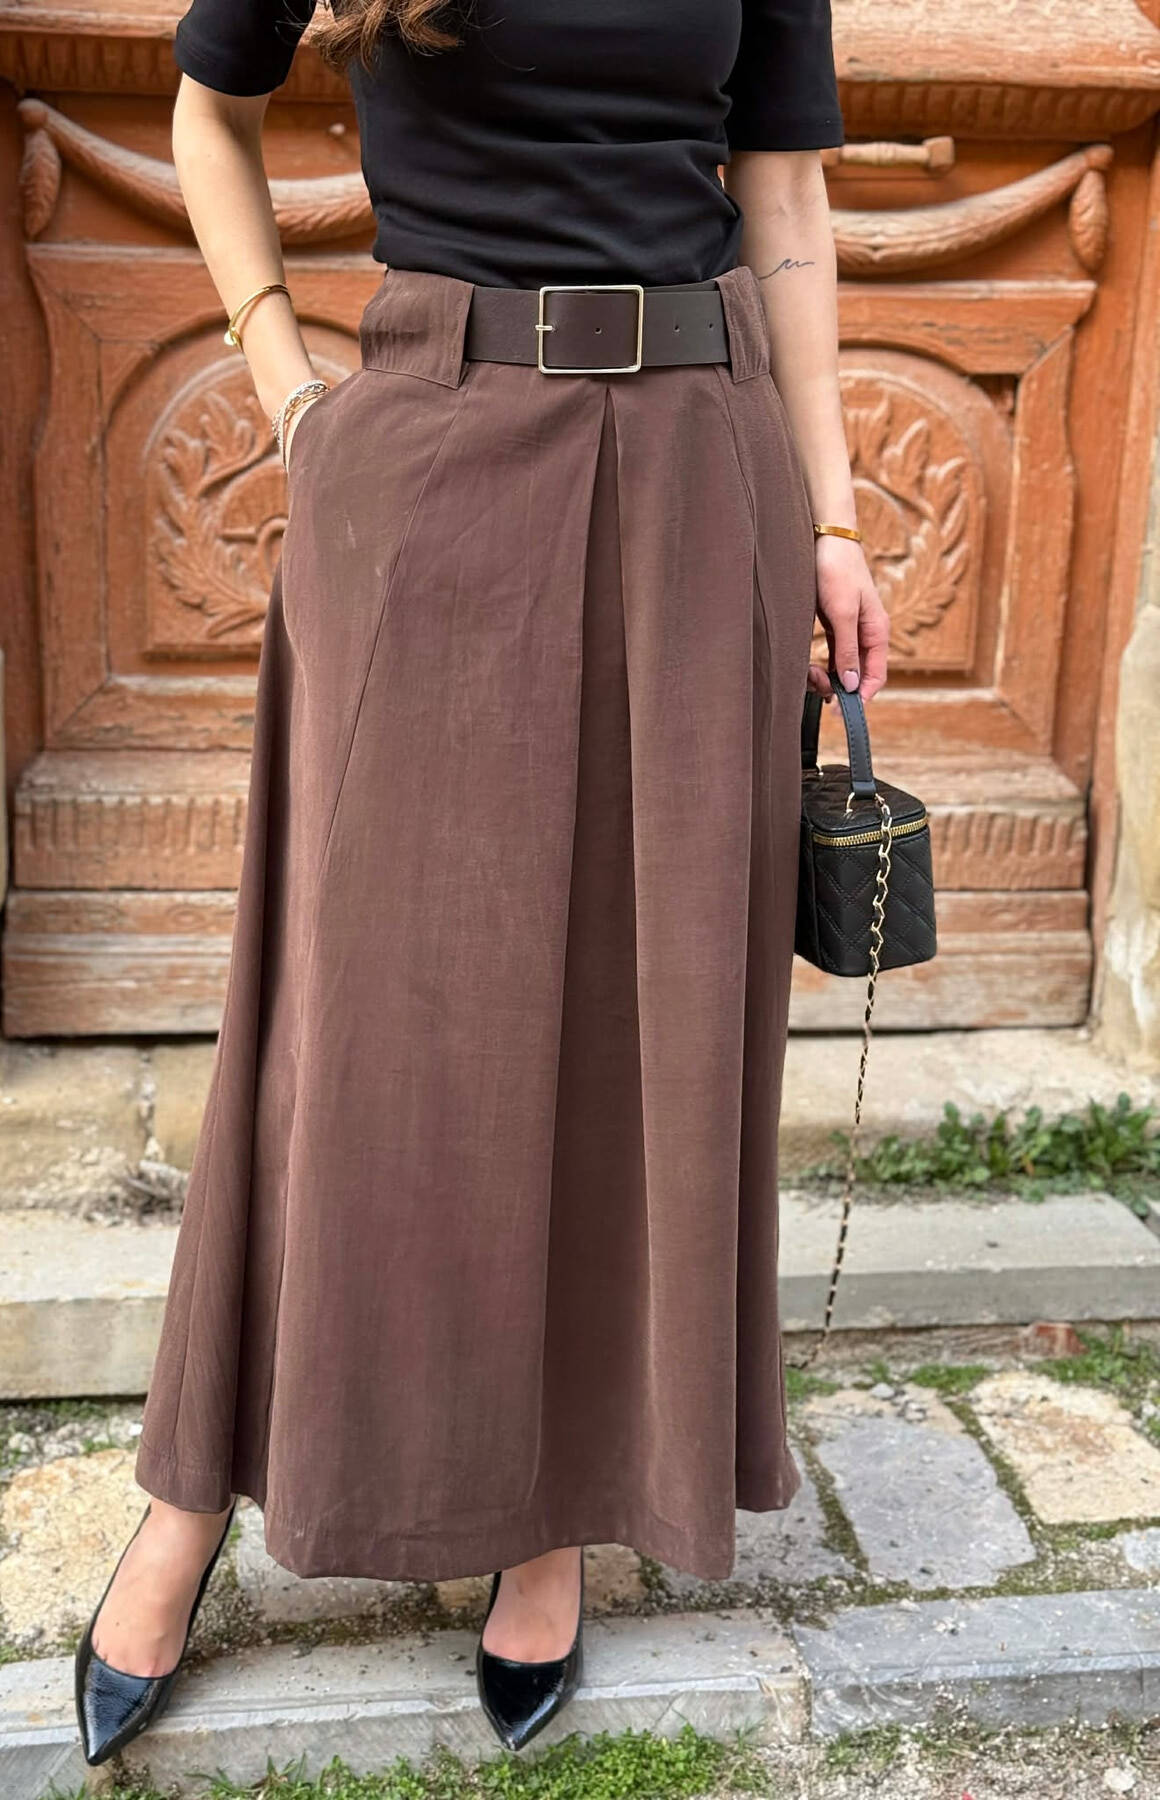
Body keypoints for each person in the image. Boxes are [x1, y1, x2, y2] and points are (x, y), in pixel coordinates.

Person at [74, 0, 889, 1768]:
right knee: (348, 1029)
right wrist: (291, 383)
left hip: (700, 471)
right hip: (433, 461)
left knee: (635, 1021)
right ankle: (192, 1498)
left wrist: (834, 519)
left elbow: (784, 199)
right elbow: (206, 111)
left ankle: (551, 1519)